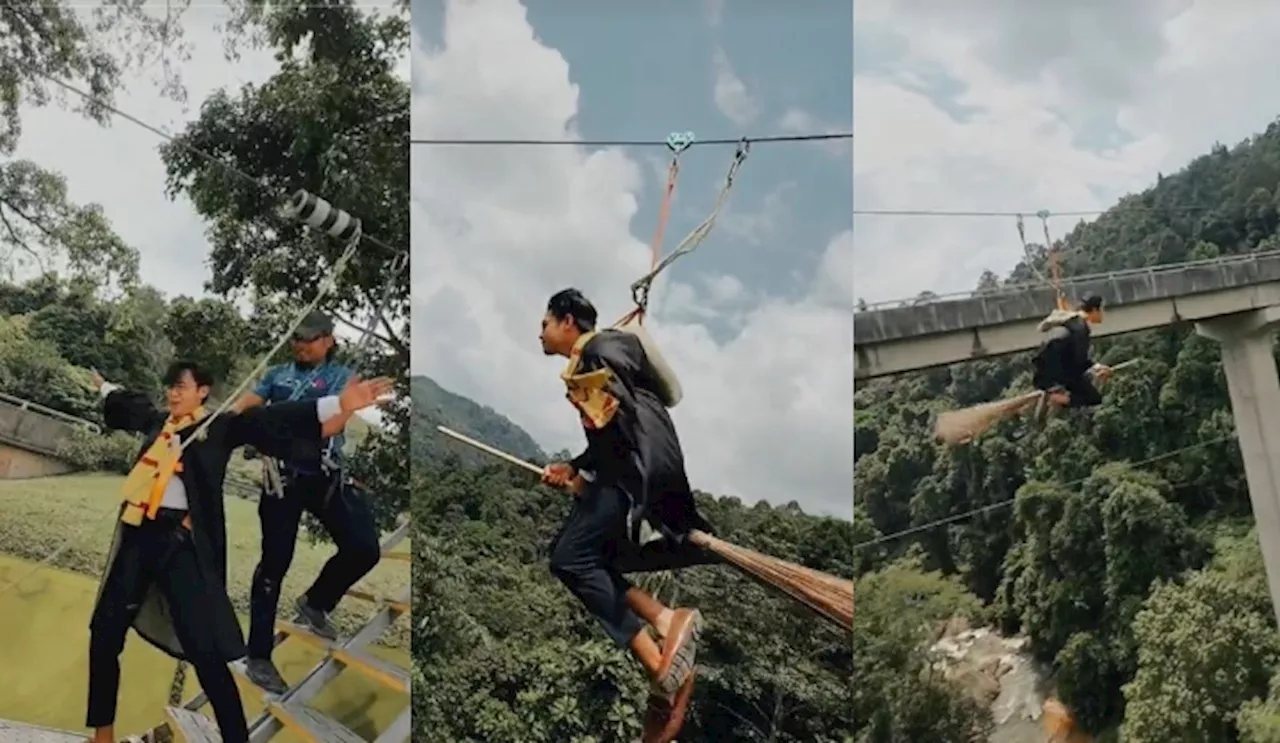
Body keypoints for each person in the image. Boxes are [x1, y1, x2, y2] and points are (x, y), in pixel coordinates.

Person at [86, 360, 392, 743]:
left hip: (182, 548)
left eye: (182, 387)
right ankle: (103, 734)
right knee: (103, 632)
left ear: (203, 391)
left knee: (205, 652)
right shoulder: (159, 423)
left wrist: (338, 404)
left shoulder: (219, 428)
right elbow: (126, 402)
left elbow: (273, 419)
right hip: (139, 536)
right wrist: (103, 386)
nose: (173, 393)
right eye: (171, 387)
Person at [538, 288, 718, 743]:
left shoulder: (596, 354)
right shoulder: (604, 355)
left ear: (566, 322)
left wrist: (591, 479)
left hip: (631, 474)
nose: (539, 333)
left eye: (544, 323)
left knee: (569, 560)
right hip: (639, 471)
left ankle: (661, 657)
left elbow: (619, 423)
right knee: (599, 561)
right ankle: (661, 624)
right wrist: (577, 468)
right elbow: (611, 428)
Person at [231, 310, 383, 695]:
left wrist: (271, 422)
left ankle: (317, 602)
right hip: (281, 478)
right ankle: (258, 656)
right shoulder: (277, 375)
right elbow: (244, 407)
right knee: (275, 562)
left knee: (364, 547)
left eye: (310, 339)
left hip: (323, 473)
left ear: (329, 340)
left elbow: (331, 425)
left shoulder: (341, 378)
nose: (301, 345)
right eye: (297, 338)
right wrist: (257, 423)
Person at [1032, 294, 1112, 419]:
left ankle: (1057, 395)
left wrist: (1095, 368)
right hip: (1056, 375)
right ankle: (1055, 397)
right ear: (1095, 310)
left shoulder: (1070, 320)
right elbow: (1079, 361)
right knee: (1093, 398)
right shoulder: (1081, 329)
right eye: (1102, 310)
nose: (1103, 313)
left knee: (1086, 378)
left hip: (1042, 373)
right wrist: (1098, 368)